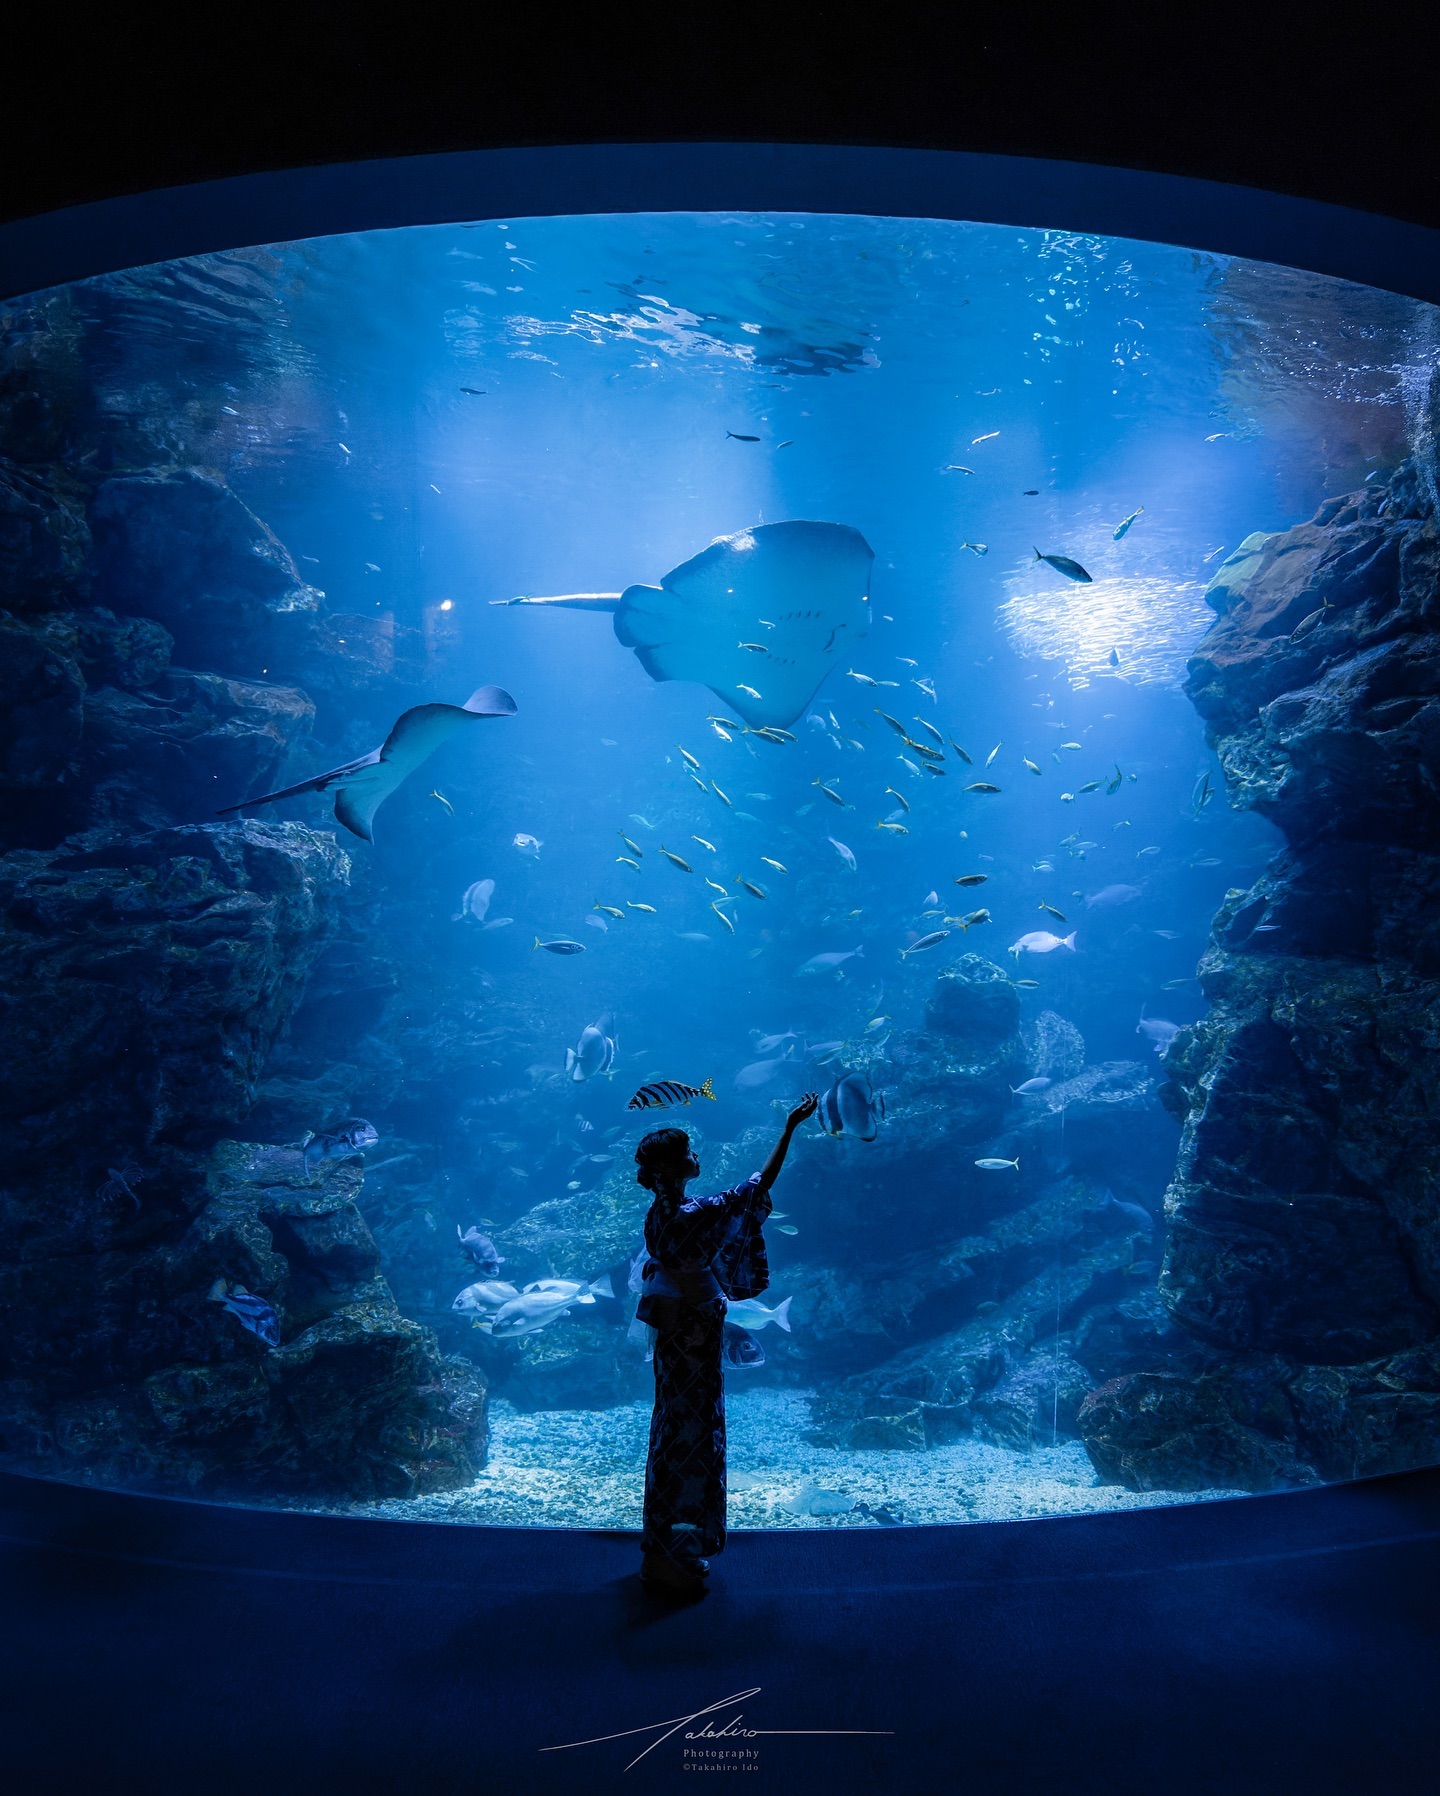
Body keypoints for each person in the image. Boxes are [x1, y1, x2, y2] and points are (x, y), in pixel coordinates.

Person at [633, 1094, 819, 1594]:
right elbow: (757, 1186)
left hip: (676, 1339)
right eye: (689, 1149)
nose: (697, 1154)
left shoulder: (658, 1213)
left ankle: (662, 1545)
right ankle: (683, 1548)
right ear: (671, 1166)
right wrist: (789, 1128)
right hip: (693, 1338)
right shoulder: (692, 1213)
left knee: (672, 1430)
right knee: (694, 1435)